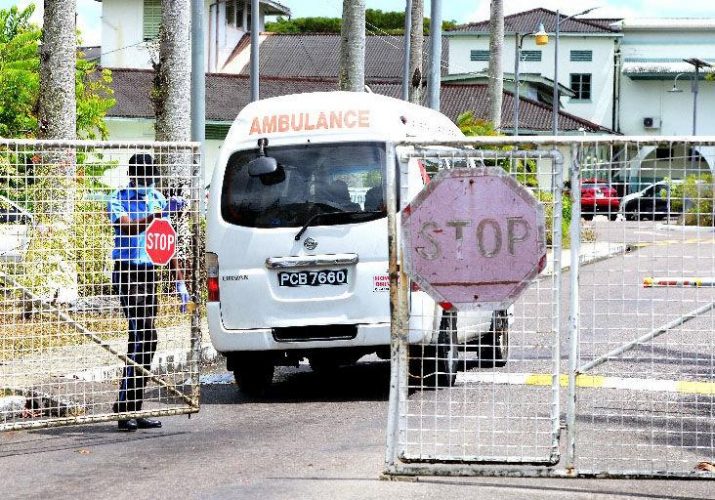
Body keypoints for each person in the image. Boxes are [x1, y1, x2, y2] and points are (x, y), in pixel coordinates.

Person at [108, 153, 189, 432]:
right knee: (144, 336)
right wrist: (152, 218)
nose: (147, 182)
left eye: (150, 177)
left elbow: (167, 240)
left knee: (143, 339)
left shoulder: (157, 197)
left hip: (149, 273)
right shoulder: (118, 198)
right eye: (142, 177)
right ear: (133, 176)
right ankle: (124, 407)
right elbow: (125, 226)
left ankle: (131, 407)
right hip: (128, 273)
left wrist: (180, 283)